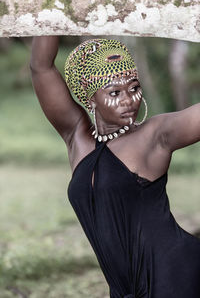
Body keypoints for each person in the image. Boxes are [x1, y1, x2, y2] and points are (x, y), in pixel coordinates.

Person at [30, 36, 200, 298]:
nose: (128, 100)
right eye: (114, 93)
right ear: (91, 97)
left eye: (134, 88)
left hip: (174, 275)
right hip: (123, 288)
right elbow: (41, 67)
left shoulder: (154, 136)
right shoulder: (78, 139)